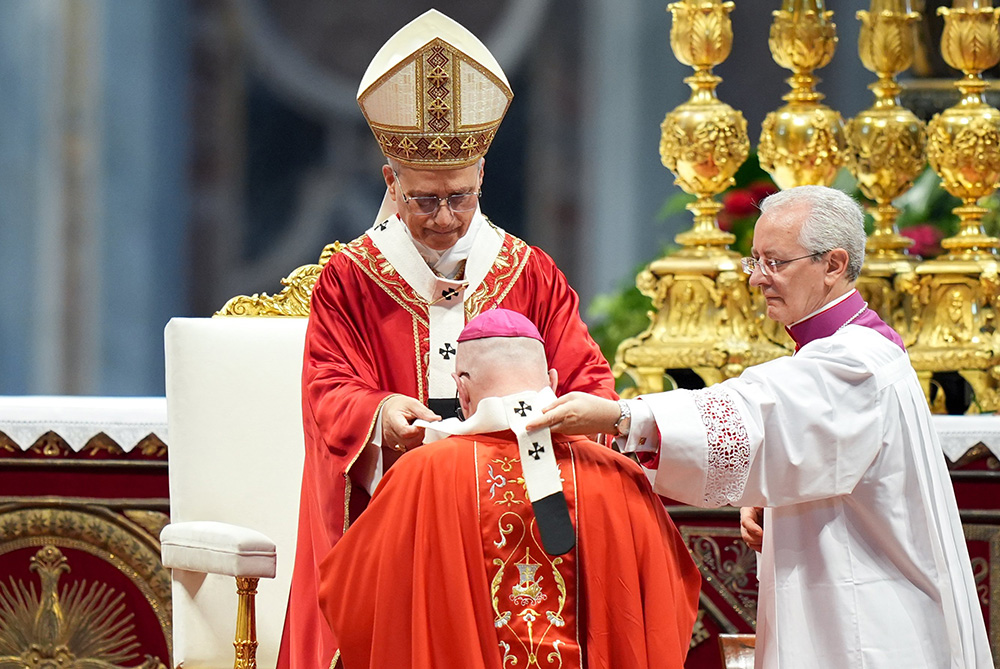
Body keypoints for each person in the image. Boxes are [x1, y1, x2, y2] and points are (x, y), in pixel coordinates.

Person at [527, 185, 993, 668]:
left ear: (833, 265)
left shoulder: (855, 360)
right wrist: (764, 492)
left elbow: (751, 413)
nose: (757, 280)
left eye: (775, 263)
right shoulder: (846, 348)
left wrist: (621, 416)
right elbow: (803, 439)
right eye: (755, 262)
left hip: (869, 626)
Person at [278, 11, 616, 669]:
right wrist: (380, 413)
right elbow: (326, 385)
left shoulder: (528, 271)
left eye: (458, 197)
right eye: (424, 200)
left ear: (483, 177)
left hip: (514, 515)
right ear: (390, 183)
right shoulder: (352, 277)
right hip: (394, 516)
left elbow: (587, 381)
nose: (443, 218)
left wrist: (557, 418)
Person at [316, 310, 701, 669]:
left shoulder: (418, 475)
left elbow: (352, 595)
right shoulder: (620, 477)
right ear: (551, 382)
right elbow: (673, 599)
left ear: (461, 390)